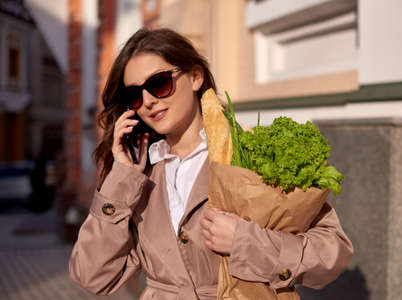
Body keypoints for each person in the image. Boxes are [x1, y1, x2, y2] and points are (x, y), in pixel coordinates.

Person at [69, 28, 353, 300]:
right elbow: (92, 275)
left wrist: (245, 242)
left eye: (159, 84)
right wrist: (120, 182)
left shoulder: (252, 155)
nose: (148, 101)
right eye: (134, 95)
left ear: (194, 77)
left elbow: (332, 254)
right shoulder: (139, 176)